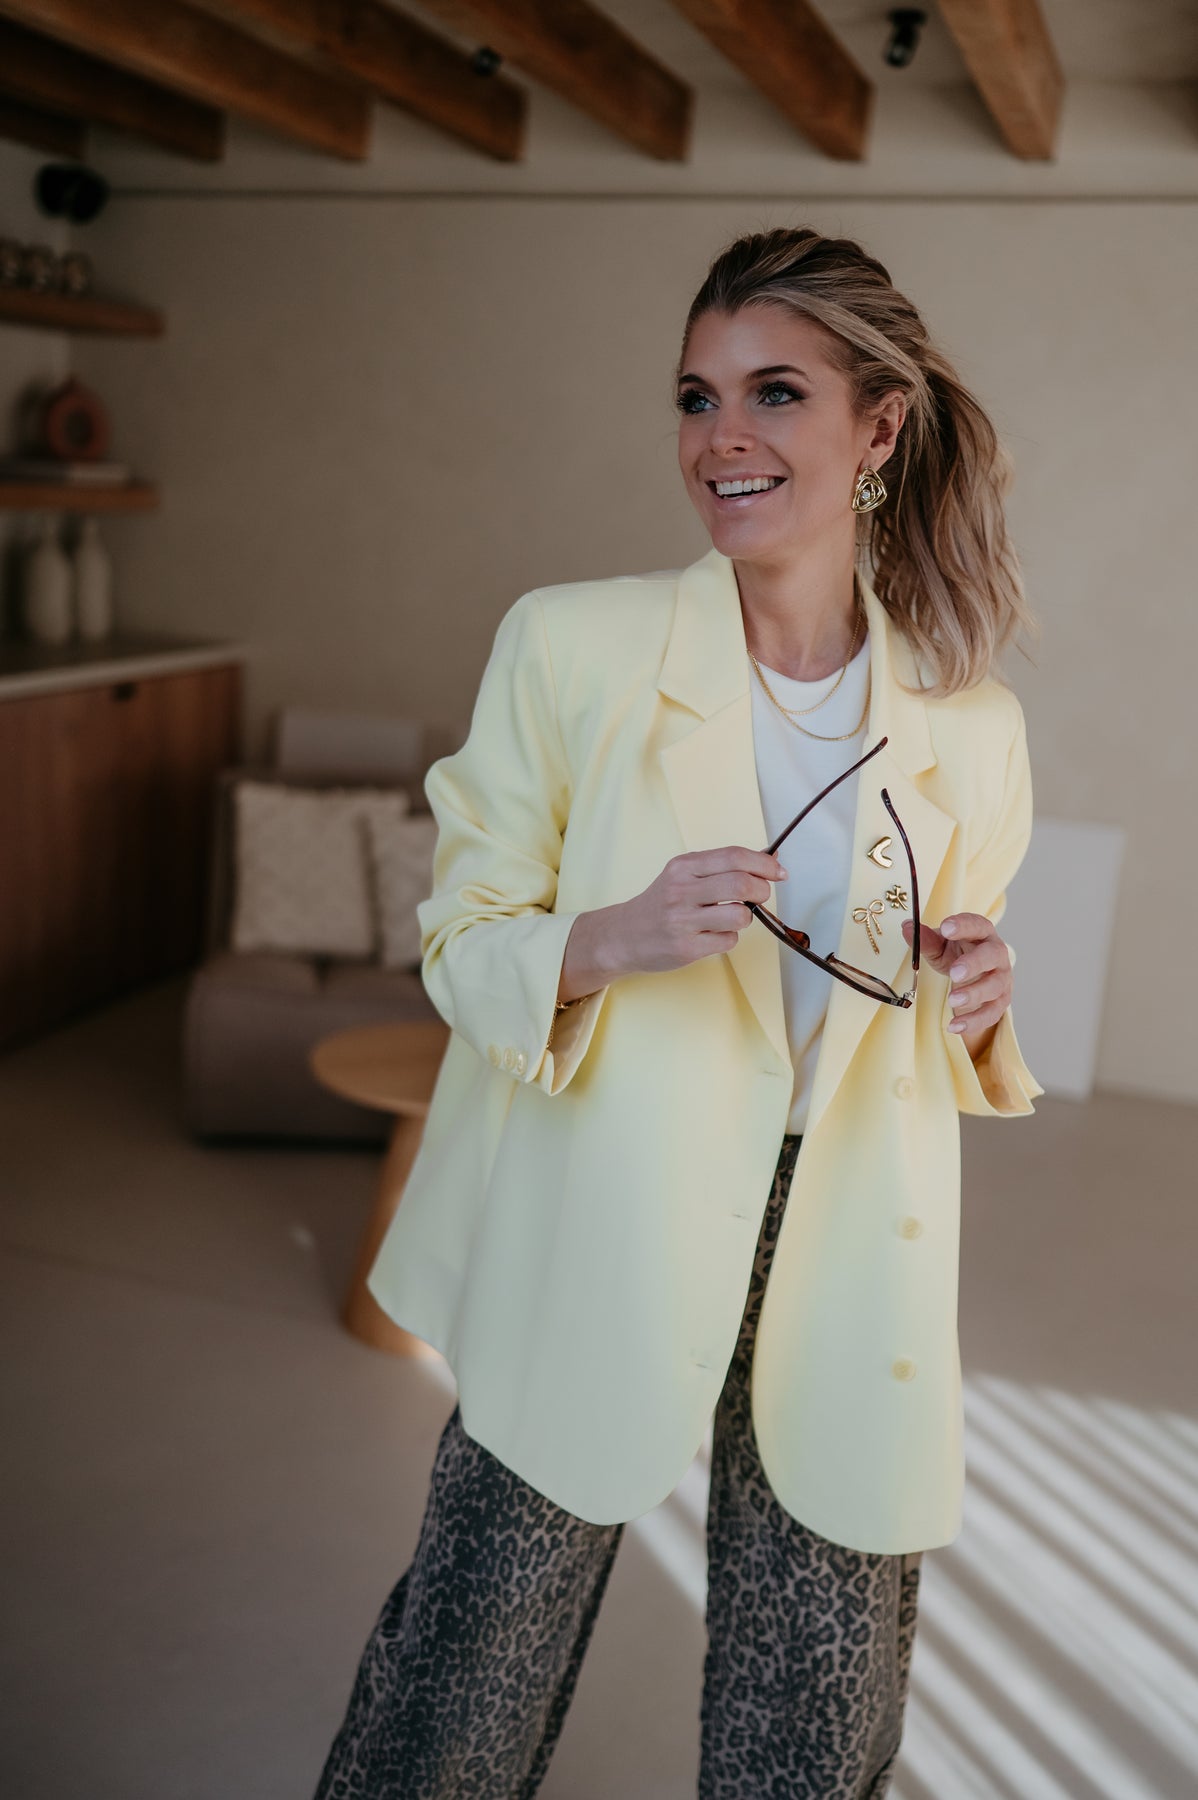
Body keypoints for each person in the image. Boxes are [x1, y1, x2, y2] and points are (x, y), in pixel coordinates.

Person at [312, 226, 1044, 1800]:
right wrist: (608, 939)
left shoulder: (970, 729)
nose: (721, 436)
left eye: (774, 392)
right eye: (696, 396)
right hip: (601, 1212)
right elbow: (460, 938)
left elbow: (933, 1016)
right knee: (457, 1690)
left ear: (877, 427)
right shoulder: (568, 646)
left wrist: (979, 1004)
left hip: (846, 1250)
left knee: (815, 1727)